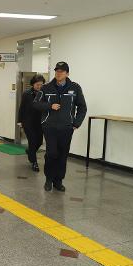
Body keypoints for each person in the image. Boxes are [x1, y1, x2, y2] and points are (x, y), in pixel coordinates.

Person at [33, 61, 87, 192]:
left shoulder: (75, 88)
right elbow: (35, 104)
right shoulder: (46, 88)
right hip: (49, 127)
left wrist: (76, 123)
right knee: (51, 153)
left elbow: (82, 107)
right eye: (57, 71)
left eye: (61, 71)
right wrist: (49, 106)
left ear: (67, 73)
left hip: (66, 127)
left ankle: (58, 181)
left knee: (63, 155)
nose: (58, 73)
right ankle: (49, 179)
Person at [18, 74, 46, 172]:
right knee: (33, 141)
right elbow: (22, 107)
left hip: (40, 122)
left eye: (41, 84)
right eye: (37, 84)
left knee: (39, 142)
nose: (39, 86)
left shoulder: (44, 93)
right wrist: (19, 121)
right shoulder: (26, 93)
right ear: (33, 84)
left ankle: (30, 151)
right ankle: (34, 162)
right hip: (28, 122)